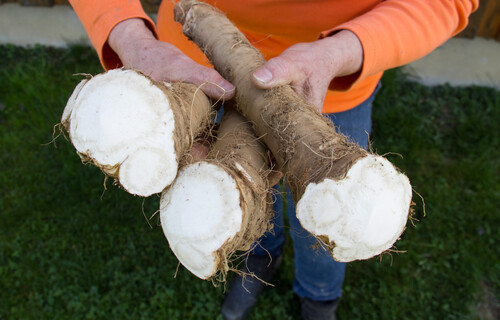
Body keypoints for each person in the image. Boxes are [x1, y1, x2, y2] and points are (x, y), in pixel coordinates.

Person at [69, 1, 478, 319]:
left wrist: (343, 49)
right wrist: (132, 40)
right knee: (240, 194)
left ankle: (319, 297)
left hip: (330, 78)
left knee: (329, 205)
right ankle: (261, 259)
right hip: (192, 68)